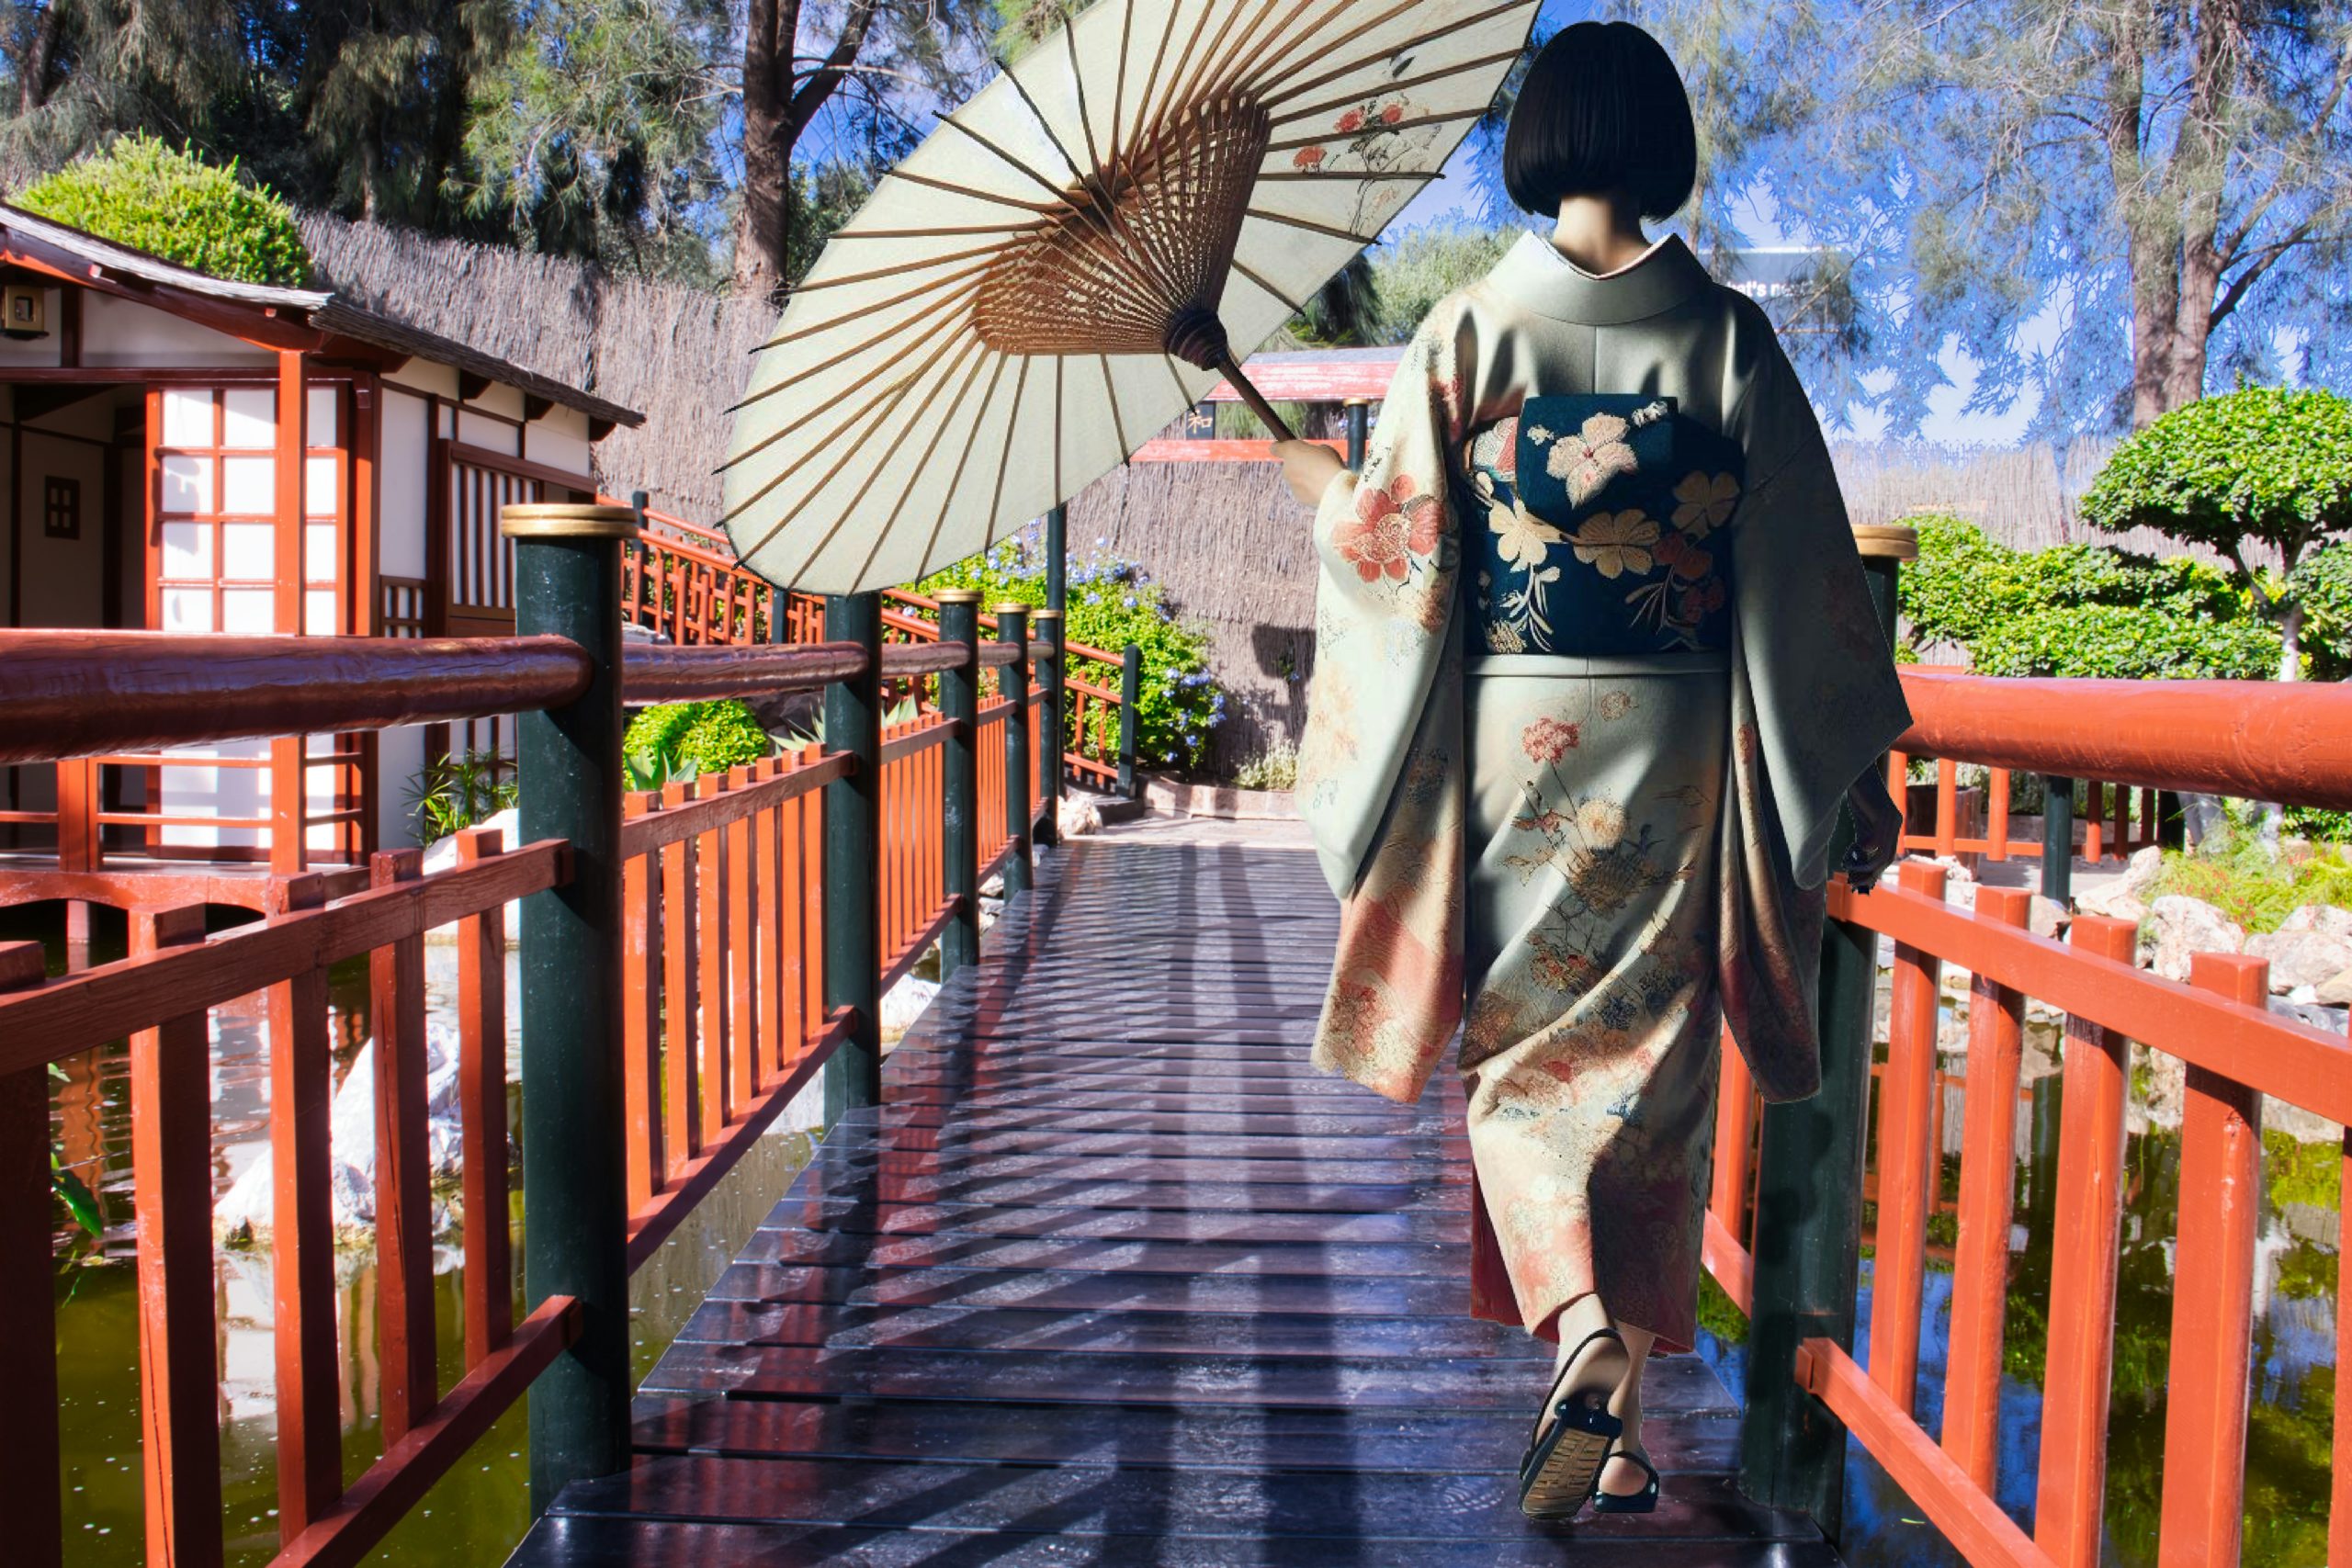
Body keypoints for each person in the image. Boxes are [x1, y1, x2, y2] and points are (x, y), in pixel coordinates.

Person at [1272, 19, 1908, 1520]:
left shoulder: (1473, 332)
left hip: (1515, 748)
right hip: (1677, 744)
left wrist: (1321, 489)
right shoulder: (1728, 338)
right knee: (1651, 1079)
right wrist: (1841, 780)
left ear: (1539, 144)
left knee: (1518, 1067)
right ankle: (1612, 1411)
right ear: (1661, 146)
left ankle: (1582, 1356)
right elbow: (1801, 583)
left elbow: (1391, 556)